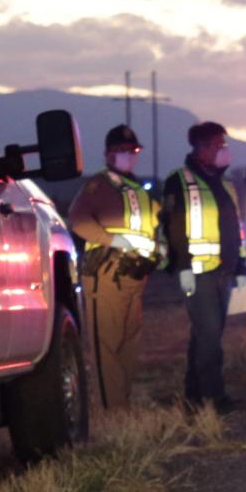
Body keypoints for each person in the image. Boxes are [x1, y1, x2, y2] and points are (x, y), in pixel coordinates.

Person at [64, 124, 160, 410]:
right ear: (108, 154)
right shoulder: (98, 186)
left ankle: (123, 405)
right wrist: (112, 240)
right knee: (107, 347)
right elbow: (78, 221)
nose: (128, 156)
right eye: (121, 151)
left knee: (129, 344)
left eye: (132, 151)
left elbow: (151, 229)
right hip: (106, 275)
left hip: (134, 276)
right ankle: (112, 414)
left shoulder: (138, 191)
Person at [158, 120, 245, 415]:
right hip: (195, 271)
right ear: (203, 148)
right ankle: (212, 399)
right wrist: (181, 268)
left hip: (224, 270)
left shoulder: (225, 183)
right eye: (220, 145)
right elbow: (173, 227)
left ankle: (193, 396)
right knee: (209, 334)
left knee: (207, 333)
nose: (225, 150)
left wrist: (240, 264)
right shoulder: (179, 181)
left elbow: (235, 227)